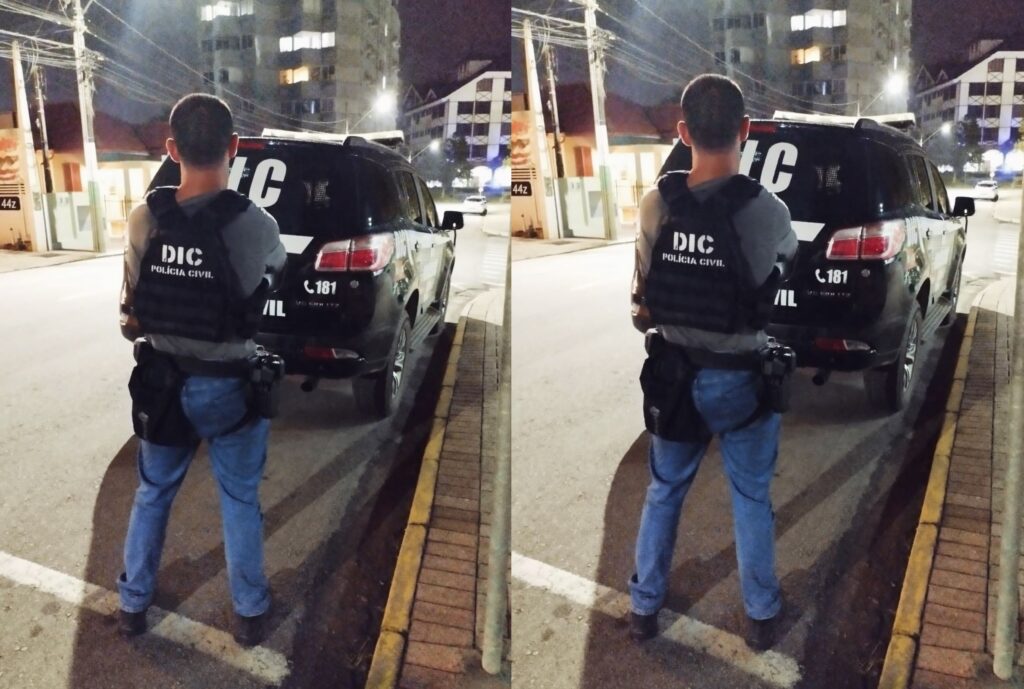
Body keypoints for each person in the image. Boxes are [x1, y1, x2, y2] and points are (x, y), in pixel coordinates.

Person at [628, 75, 798, 650]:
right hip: (741, 381)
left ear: (683, 132)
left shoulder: (655, 204)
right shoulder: (767, 210)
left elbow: (643, 295)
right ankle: (760, 615)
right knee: (750, 499)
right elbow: (783, 266)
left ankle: (644, 607)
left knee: (664, 491)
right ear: (745, 130)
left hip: (674, 377)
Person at [118, 93, 286, 646]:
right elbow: (274, 276)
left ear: (172, 149)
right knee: (239, 501)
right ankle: (249, 612)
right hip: (230, 389)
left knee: (152, 494)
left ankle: (133, 604)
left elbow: (132, 307)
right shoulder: (256, 224)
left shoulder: (143, 219)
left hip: (162, 385)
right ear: (234, 146)